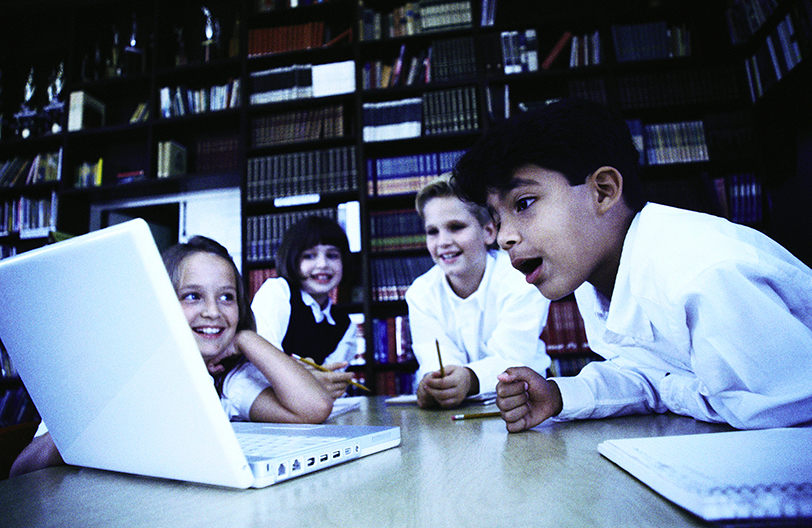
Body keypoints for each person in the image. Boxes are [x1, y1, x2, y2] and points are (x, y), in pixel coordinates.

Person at [451, 97, 812, 432]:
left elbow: (792, 415)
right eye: (497, 220)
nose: (503, 239)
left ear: (603, 191)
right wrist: (561, 395)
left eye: (525, 203)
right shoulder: (598, 279)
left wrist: (670, 391)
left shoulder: (705, 276)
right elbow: (645, 374)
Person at [10, 235, 332, 477]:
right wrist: (102, 406)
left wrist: (247, 338)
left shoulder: (228, 380)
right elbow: (20, 471)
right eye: (192, 296)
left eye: (227, 297)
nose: (212, 311)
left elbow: (314, 407)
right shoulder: (111, 372)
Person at [406, 174, 551, 409]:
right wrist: (437, 383)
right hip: (456, 410)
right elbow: (434, 361)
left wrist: (469, 378)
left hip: (525, 403)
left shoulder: (520, 279)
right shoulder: (420, 293)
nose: (442, 241)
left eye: (456, 227)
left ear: (488, 232)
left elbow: (513, 357)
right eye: (432, 231)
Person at [251, 216, 358, 400]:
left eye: (332, 255)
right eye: (309, 256)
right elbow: (261, 362)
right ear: (292, 259)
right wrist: (307, 379)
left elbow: (329, 384)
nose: (323, 264)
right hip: (265, 404)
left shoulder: (346, 326)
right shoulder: (278, 292)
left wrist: (313, 380)